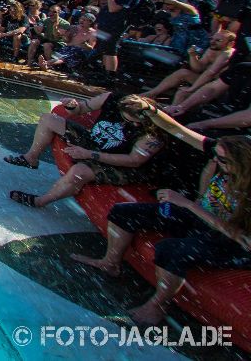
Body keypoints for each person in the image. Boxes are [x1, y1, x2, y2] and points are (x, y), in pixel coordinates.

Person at [71, 121, 251, 325]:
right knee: (124, 212)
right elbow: (180, 132)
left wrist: (189, 205)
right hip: (198, 217)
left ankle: (158, 305)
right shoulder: (225, 166)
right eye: (215, 156)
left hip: (232, 243)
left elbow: (241, 237)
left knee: (171, 250)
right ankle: (110, 263)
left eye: (222, 159)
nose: (216, 162)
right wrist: (154, 114)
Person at [7, 95, 168, 209]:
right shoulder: (112, 99)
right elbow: (80, 109)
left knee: (79, 171)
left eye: (132, 122)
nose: (129, 124)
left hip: (121, 162)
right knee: (48, 119)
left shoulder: (152, 131)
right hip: (94, 141)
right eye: (125, 119)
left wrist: (89, 154)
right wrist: (72, 105)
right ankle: (31, 158)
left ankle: (41, 201)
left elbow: (134, 160)